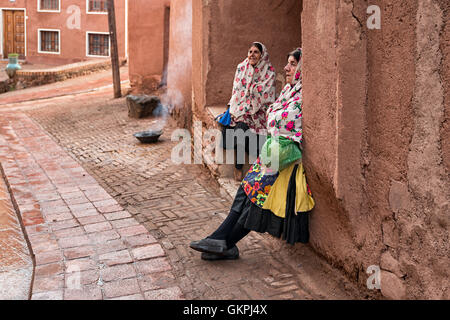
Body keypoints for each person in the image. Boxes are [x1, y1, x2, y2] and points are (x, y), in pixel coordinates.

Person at [191, 48, 315, 260]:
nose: (286, 68)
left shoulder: (305, 94)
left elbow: (277, 118)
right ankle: (220, 241)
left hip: (285, 158)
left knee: (254, 200)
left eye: (293, 64)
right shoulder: (288, 91)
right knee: (245, 192)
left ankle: (224, 242)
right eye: (288, 63)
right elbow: (274, 118)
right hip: (273, 152)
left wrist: (272, 120)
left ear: (304, 69)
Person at [221, 42, 276, 181]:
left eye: (256, 52)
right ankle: (238, 168)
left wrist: (252, 93)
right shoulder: (241, 68)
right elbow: (236, 91)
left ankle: (259, 173)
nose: (252, 55)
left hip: (259, 113)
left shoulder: (269, 72)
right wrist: (239, 106)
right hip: (241, 111)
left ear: (262, 55)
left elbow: (267, 95)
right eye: (250, 51)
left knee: (260, 139)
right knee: (240, 129)